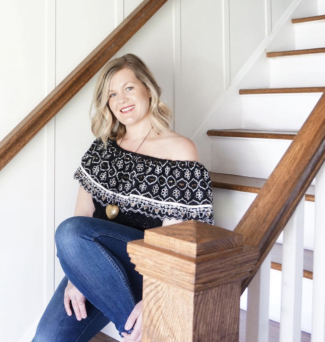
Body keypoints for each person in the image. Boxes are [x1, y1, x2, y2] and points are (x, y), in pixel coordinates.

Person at [32, 53, 214, 342]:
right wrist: (77, 276)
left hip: (145, 266)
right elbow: (83, 216)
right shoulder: (101, 149)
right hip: (96, 266)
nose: (121, 100)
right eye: (112, 94)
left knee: (69, 231)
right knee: (46, 338)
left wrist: (154, 296)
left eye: (128, 88)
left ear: (147, 88)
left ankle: (136, 332)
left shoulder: (180, 149)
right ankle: (142, 332)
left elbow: (175, 239)